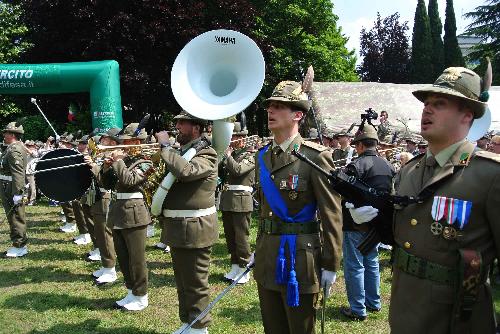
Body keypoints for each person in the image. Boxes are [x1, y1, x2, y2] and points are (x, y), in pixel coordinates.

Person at [350, 66, 500, 333]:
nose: (426, 110)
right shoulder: (409, 171)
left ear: (467, 115)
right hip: (404, 307)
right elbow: (401, 234)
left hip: (455, 317)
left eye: (439, 104)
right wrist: (367, 220)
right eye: (426, 103)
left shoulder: (489, 175)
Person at [254, 81, 342, 334]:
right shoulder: (263, 156)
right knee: (273, 326)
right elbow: (265, 211)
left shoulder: (315, 157)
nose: (271, 111)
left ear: (298, 115)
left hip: (300, 258)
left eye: (279, 107)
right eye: (270, 106)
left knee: (299, 327)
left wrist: (330, 263)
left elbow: (331, 213)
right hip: (268, 254)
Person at [156, 111, 218, 334]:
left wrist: (165, 147)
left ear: (197, 127)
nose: (177, 126)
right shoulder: (183, 151)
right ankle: (188, 322)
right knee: (183, 282)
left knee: (196, 283)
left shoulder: (207, 153)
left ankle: (200, 327)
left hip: (196, 228)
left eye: (182, 122)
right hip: (179, 227)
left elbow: (186, 171)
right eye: (177, 122)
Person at [340, 125, 395, 321]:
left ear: (361, 145)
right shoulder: (388, 165)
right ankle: (373, 302)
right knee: (371, 261)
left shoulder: (356, 165)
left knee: (354, 265)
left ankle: (357, 308)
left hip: (356, 222)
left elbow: (343, 191)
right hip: (378, 222)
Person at [101, 123, 153, 311]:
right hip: (118, 211)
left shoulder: (145, 161)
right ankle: (131, 290)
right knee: (123, 256)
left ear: (138, 142)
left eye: (128, 141)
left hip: (134, 213)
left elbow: (129, 181)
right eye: (123, 141)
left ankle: (141, 295)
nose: (123, 145)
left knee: (136, 258)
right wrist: (106, 167)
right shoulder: (123, 161)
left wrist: (117, 162)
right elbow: (106, 184)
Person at [219, 121, 255, 284]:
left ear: (242, 138)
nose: (232, 139)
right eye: (231, 136)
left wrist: (227, 155)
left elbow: (238, 170)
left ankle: (245, 268)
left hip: (241, 200)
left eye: (235, 136)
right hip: (228, 199)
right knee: (230, 236)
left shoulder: (250, 155)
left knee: (241, 237)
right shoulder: (231, 154)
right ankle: (235, 265)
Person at [85, 129, 120, 284]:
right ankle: (106, 265)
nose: (101, 141)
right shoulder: (102, 155)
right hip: (97, 196)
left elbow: (106, 179)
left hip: (105, 196)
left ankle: (110, 269)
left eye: (104, 139)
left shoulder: (115, 156)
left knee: (105, 235)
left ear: (112, 142)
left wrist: (93, 165)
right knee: (99, 232)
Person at [0, 122, 28, 257]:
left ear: (12, 134)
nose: (4, 135)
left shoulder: (14, 150)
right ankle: (18, 244)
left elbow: (18, 173)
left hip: (11, 188)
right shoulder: (11, 148)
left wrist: (18, 193)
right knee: (13, 217)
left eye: (6, 132)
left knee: (16, 216)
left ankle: (20, 246)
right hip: (7, 186)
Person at [24, 140, 39, 206]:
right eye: (28, 145)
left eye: (29, 145)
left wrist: (24, 147)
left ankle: (32, 201)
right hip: (25, 171)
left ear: (33, 146)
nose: (28, 146)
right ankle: (26, 200)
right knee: (26, 187)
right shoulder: (27, 152)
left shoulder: (35, 152)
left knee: (32, 187)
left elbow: (32, 153)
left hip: (31, 172)